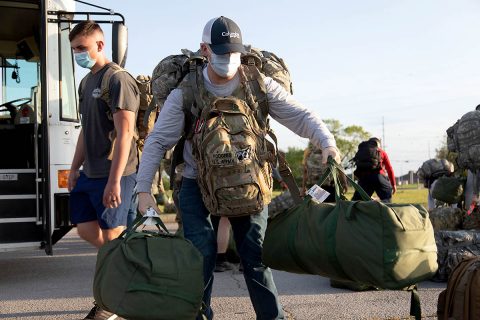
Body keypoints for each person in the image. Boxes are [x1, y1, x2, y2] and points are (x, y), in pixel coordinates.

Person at [136, 16, 340, 320]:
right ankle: (198, 314)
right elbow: (157, 141)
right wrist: (143, 190)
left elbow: (301, 116)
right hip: (195, 181)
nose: (226, 60)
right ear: (204, 49)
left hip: (250, 181)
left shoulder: (258, 84)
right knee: (200, 254)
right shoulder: (186, 91)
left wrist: (328, 143)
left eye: (232, 52)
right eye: (219, 52)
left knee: (256, 256)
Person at [67, 20, 139, 320]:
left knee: (112, 241)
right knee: (85, 228)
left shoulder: (118, 80)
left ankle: (110, 304)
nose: (78, 54)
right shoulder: (86, 83)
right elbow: (85, 130)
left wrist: (114, 182)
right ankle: (129, 266)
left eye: (82, 48)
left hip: (116, 174)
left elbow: (125, 133)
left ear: (99, 45)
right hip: (90, 174)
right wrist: (74, 169)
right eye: (73, 50)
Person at [352, 137, 396, 202]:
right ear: (378, 144)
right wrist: (393, 184)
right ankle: (385, 209)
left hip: (364, 179)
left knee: (357, 202)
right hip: (378, 177)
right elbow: (389, 169)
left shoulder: (362, 152)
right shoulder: (381, 152)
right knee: (387, 200)